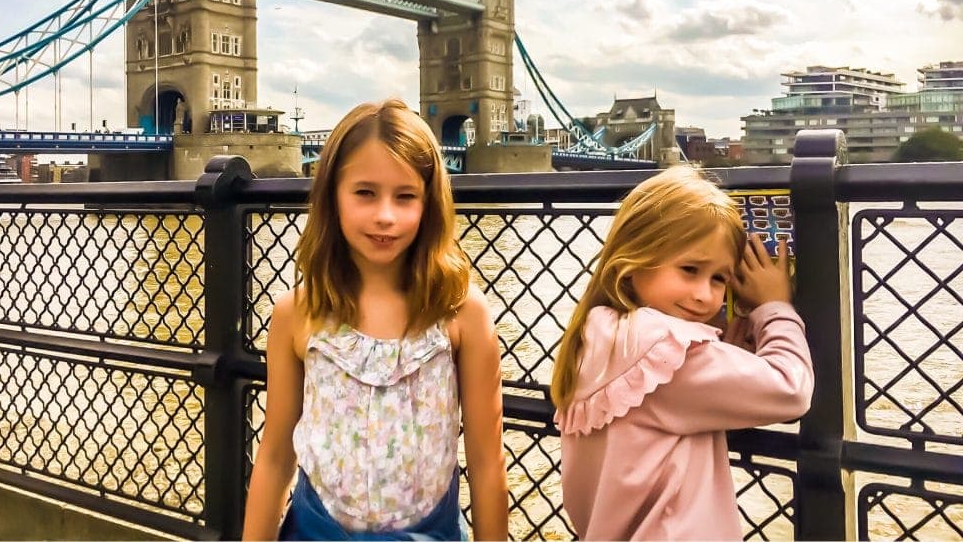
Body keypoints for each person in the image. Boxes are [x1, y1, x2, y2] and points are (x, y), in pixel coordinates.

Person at [243, 98, 508, 541]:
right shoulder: (296, 314)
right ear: (332, 196)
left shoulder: (462, 314)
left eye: (405, 197)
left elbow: (486, 464)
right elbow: (274, 457)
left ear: (430, 205)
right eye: (365, 193)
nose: (385, 215)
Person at [551, 165, 814, 541]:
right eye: (689, 269)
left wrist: (728, 338)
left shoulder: (597, 335)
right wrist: (774, 307)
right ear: (633, 260)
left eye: (719, 278)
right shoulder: (668, 353)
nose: (704, 294)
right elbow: (791, 389)